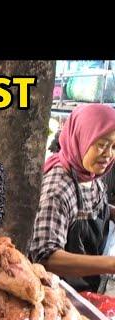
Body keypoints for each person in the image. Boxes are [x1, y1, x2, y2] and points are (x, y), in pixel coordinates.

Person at [29, 104, 115, 293]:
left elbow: (90, 208)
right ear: (82, 138)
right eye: (101, 144)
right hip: (57, 292)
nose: (108, 155)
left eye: (114, 146)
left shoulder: (89, 175)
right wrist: (110, 264)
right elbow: (45, 257)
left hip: (84, 286)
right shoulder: (58, 188)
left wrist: (112, 212)